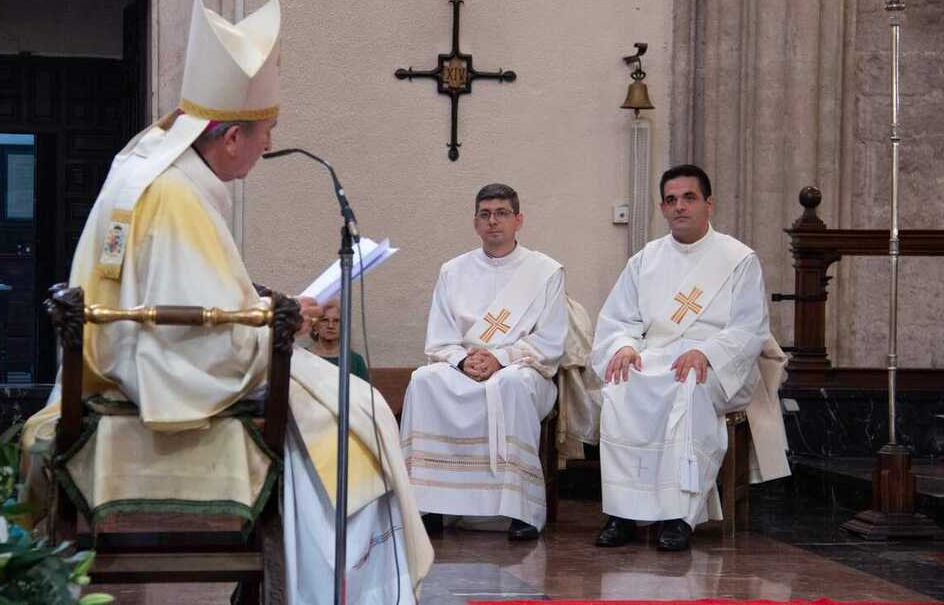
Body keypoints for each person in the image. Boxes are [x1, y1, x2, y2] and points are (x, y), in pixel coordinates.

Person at [20, 0, 432, 602]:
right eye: (267, 133)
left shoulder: (149, 168)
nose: (269, 146)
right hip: (161, 384)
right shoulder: (178, 199)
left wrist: (267, 308)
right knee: (361, 409)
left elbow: (187, 299)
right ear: (232, 136)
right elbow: (206, 351)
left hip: (124, 366)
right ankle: (341, 586)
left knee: (351, 403)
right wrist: (276, 326)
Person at [590, 164, 789, 552]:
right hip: (656, 357)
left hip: (715, 366)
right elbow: (618, 318)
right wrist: (624, 346)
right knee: (621, 385)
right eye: (671, 200)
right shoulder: (645, 260)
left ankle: (679, 515)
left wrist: (707, 351)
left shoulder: (738, 259)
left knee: (689, 387)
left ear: (708, 204)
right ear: (662, 208)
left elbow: (750, 327)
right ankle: (623, 512)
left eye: (689, 198)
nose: (680, 206)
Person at [400, 183, 568, 541]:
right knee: (424, 380)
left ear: (518, 220)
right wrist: (463, 361)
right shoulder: (453, 271)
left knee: (511, 384)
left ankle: (520, 510)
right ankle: (428, 505)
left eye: (502, 213)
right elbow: (440, 338)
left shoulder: (546, 272)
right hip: (466, 365)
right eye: (485, 214)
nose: (494, 222)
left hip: (522, 369)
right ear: (475, 223)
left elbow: (550, 342)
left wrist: (501, 358)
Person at [307, 301, 370, 381]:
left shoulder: (355, 360)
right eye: (325, 320)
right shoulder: (303, 356)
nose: (330, 326)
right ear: (315, 326)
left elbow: (363, 392)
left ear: (344, 327)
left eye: (336, 321)